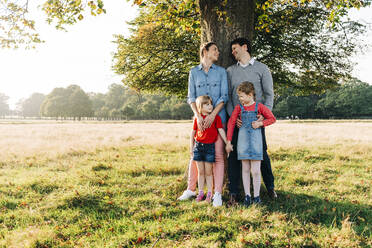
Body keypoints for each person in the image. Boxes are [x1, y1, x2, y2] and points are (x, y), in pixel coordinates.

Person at [226, 37, 277, 206]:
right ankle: (234, 192)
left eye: (235, 48)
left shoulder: (262, 69)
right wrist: (234, 117)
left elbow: (269, 94)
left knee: (261, 153)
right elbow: (228, 98)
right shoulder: (230, 71)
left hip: (256, 121)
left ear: (245, 47)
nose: (233, 52)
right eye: (232, 50)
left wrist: (264, 114)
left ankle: (269, 187)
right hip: (238, 122)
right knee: (234, 156)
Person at [178, 42, 228, 207]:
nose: (218, 52)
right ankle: (191, 189)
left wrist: (213, 115)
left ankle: (217, 194)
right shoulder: (193, 72)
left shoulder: (221, 72)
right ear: (205, 51)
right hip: (199, 121)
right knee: (195, 155)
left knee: (218, 157)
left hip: (218, 119)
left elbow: (224, 97)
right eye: (215, 49)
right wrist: (198, 116)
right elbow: (191, 97)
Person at [190, 95, 231, 203]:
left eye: (211, 104)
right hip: (198, 147)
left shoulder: (216, 118)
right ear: (200, 107)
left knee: (209, 172)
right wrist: (191, 147)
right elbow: (193, 133)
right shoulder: (197, 119)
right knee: (201, 172)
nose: (211, 106)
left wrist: (227, 142)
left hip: (209, 148)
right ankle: (200, 193)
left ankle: (209, 194)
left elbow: (221, 130)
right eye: (207, 104)